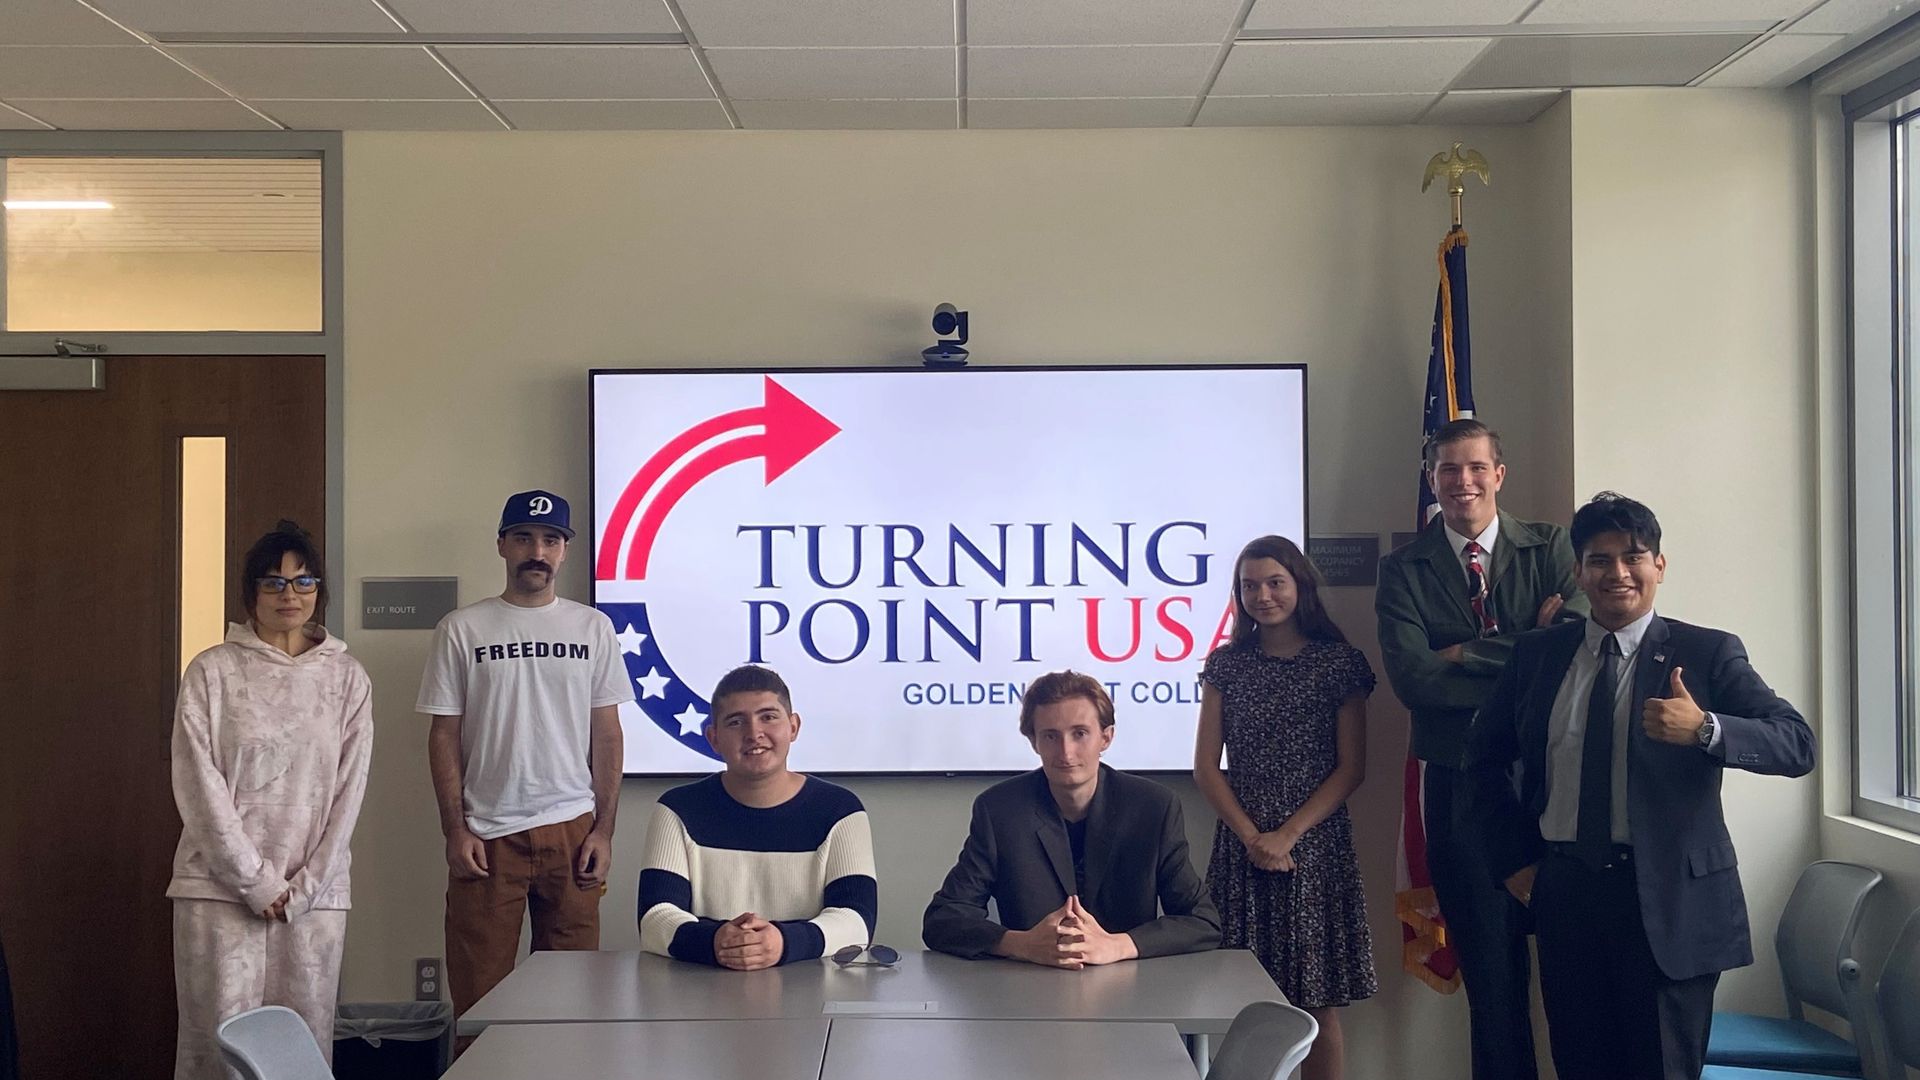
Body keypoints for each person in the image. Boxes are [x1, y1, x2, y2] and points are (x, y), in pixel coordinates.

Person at [1463, 492, 1815, 1080]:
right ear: (1578, 572)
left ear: (1659, 566)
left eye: (1634, 556)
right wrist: (1514, 862)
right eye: (1599, 560)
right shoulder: (1538, 657)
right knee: (1580, 1066)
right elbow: (1482, 762)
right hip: (1566, 896)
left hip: (1670, 903)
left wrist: (1705, 728)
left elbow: (1796, 744)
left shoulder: (1706, 652)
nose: (1617, 573)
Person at [1374, 418, 1584, 1080]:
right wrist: (1530, 642)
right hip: (1459, 784)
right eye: (1447, 470)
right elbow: (1414, 681)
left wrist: (1464, 651)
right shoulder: (1402, 569)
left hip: (1553, 780)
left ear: (1499, 474)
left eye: (1474, 468)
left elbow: (1576, 645)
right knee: (1493, 986)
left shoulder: (1554, 548)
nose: (1461, 481)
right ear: (1432, 479)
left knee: (1573, 976)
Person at [168, 521, 372, 1077]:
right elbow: (198, 785)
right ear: (250, 593)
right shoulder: (211, 672)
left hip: (315, 899)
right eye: (274, 583)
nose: (290, 595)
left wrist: (303, 889)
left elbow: (348, 795)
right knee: (218, 1048)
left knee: (300, 1048)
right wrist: (255, 880)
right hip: (216, 893)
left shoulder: (347, 679)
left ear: (319, 591)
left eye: (303, 582)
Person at [418, 490, 632, 1016]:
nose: (538, 550)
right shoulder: (461, 629)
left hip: (572, 831)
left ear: (564, 551)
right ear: (502, 546)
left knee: (572, 1003)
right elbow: (444, 735)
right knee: (479, 1003)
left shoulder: (592, 628)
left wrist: (603, 830)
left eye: (551, 540)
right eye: (524, 538)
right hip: (487, 839)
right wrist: (455, 828)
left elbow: (606, 734)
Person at [1194, 536, 1376, 1080]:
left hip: (1313, 849)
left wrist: (1287, 835)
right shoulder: (1226, 665)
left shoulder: (1339, 663)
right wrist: (1254, 838)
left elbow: (1352, 769)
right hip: (1242, 846)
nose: (1263, 595)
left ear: (1300, 585)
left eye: (1275, 582)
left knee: (1316, 1004)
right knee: (1237, 1002)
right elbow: (1206, 768)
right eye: (1250, 585)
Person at [924, 671, 1220, 966]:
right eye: (1050, 736)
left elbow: (1202, 922)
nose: (1065, 752)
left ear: (1106, 737)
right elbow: (943, 919)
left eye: (1079, 734)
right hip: (1029, 987)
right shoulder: (1000, 811)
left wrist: (1118, 946)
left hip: (1129, 987)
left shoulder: (1153, 808)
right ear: (1033, 742)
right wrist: (1021, 943)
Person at [636, 665, 876, 968]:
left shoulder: (840, 810)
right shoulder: (676, 809)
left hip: (810, 995)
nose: (753, 733)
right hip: (700, 994)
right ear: (714, 738)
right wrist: (715, 941)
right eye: (736, 722)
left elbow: (857, 922)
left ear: (793, 727)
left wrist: (781, 942)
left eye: (768, 717)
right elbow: (655, 917)